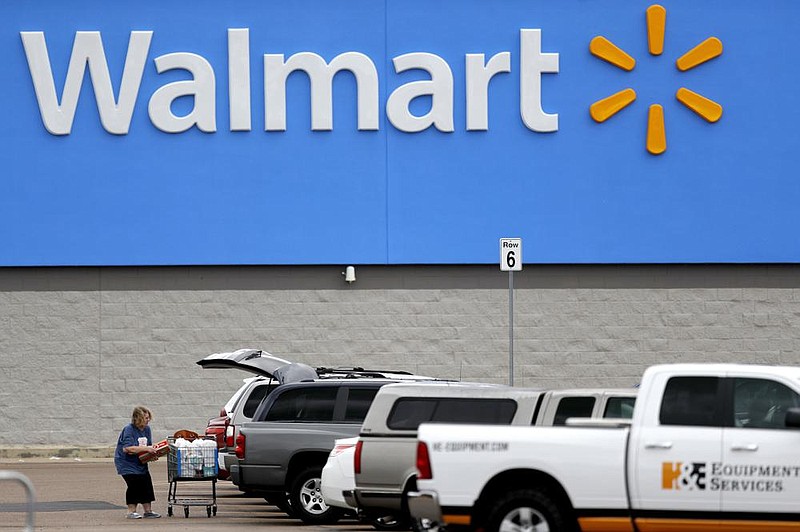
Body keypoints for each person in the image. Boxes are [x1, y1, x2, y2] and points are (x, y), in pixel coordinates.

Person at [114, 406, 161, 519]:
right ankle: (131, 511)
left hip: (140, 462)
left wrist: (152, 455)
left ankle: (148, 510)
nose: (148, 420)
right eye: (145, 418)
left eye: (148, 418)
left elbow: (147, 446)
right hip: (126, 463)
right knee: (134, 485)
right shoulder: (129, 429)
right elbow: (128, 448)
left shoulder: (147, 430)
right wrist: (147, 449)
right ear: (138, 418)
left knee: (146, 483)